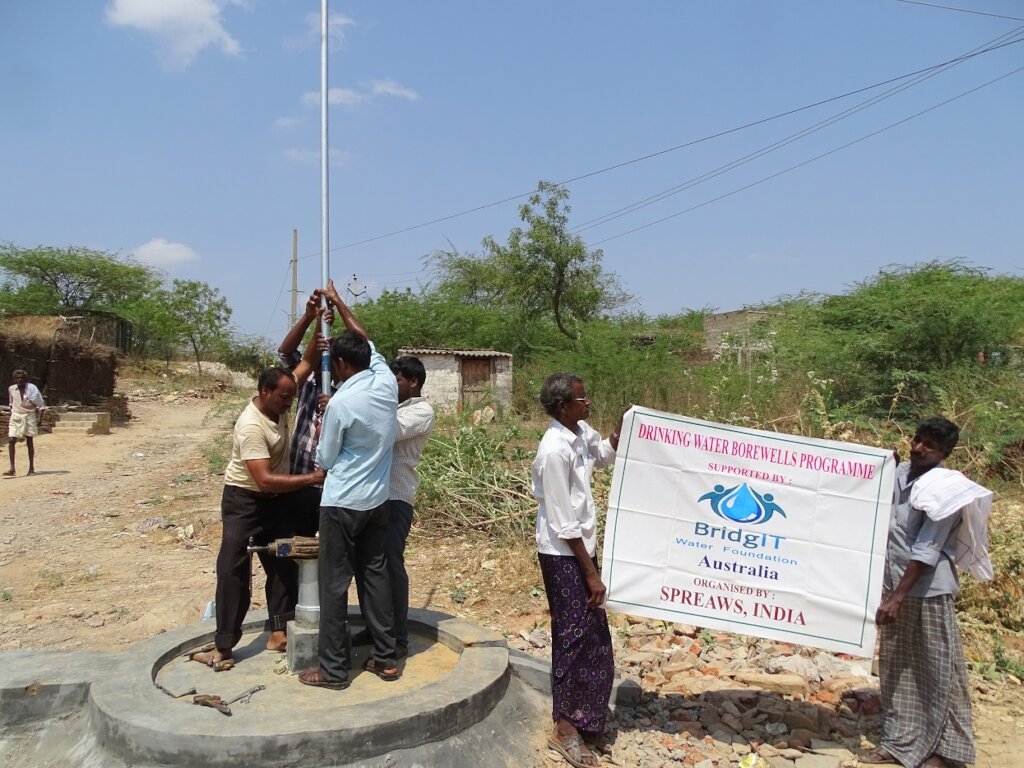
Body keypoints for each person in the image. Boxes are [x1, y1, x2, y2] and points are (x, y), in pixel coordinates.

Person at [867, 417, 985, 768]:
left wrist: (897, 597)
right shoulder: (899, 473)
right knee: (897, 665)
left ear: (946, 452)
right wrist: (874, 466)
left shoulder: (946, 489)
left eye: (929, 445)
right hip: (892, 584)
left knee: (938, 667)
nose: (918, 448)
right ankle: (900, 741)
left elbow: (927, 549)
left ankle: (949, 752)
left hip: (927, 591)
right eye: (917, 440)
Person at [192, 368, 326, 668]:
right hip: (245, 500)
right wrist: (312, 478)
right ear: (265, 391)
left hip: (276, 503)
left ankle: (278, 633)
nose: (289, 403)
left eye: (292, 396)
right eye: (284, 396)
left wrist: (313, 320)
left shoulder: (279, 396)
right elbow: (264, 479)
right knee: (233, 570)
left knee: (282, 564)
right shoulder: (251, 426)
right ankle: (224, 644)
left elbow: (306, 361)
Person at [299, 294, 399, 690]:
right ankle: (386, 659)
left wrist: (325, 422)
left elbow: (325, 458)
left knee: (334, 584)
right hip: (377, 501)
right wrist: (339, 303)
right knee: (375, 577)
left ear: (339, 365)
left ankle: (334, 670)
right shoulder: (386, 381)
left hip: (341, 503)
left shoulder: (342, 402)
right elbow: (364, 337)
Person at [532, 373, 625, 768]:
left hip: (581, 551)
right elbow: (562, 521)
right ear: (562, 407)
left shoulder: (579, 432)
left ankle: (585, 717)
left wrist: (623, 430)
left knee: (592, 636)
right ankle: (565, 728)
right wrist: (590, 573)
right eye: (582, 400)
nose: (588, 404)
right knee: (571, 637)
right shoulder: (553, 450)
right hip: (564, 555)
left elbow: (602, 455)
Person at [353, 355, 435, 659]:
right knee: (367, 565)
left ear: (413, 382)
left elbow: (387, 431)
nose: (391, 385)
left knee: (389, 564)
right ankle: (374, 627)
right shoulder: (395, 406)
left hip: (397, 498)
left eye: (396, 379)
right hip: (373, 497)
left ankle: (398, 636)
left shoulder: (421, 411)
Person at [277, 288, 334, 476]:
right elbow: (285, 353)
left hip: (325, 483)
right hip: (297, 472)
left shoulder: (344, 391)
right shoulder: (306, 381)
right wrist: (311, 318)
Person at [6, 370, 45, 477]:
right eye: (17, 378)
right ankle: (12, 468)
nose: (20, 380)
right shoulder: (11, 389)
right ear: (14, 379)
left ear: (25, 379)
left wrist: (39, 419)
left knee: (29, 441)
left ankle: (31, 468)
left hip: (29, 416)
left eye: (22, 378)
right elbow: (11, 403)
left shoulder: (32, 389)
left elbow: (41, 405)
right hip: (16, 416)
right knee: (11, 440)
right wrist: (11, 416)